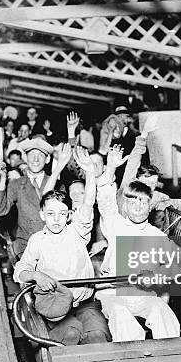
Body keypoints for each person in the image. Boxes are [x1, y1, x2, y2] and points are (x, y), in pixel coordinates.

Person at [14, 147, 111, 345]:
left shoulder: (77, 232)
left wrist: (90, 173)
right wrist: (36, 275)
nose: (56, 219)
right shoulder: (37, 240)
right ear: (42, 214)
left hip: (85, 303)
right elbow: (20, 271)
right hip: (56, 308)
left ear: (68, 215)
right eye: (51, 214)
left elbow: (88, 202)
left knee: (97, 335)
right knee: (72, 333)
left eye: (61, 214)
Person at [95, 145, 181, 342]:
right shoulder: (115, 225)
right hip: (113, 293)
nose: (138, 207)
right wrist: (110, 169)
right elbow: (105, 201)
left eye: (143, 202)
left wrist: (157, 275)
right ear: (125, 205)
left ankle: (170, 359)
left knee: (162, 311)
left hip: (143, 295)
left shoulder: (156, 235)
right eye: (133, 202)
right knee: (120, 313)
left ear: (150, 205)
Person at [0, 139, 70, 258]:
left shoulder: (58, 184)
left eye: (40, 155)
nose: (35, 159)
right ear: (25, 157)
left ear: (47, 159)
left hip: (52, 244)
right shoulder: (16, 184)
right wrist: (3, 179)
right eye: (32, 155)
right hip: (26, 245)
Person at [119, 135, 181, 215]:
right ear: (136, 180)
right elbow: (132, 163)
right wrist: (142, 139)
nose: (149, 187)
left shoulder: (156, 196)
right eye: (145, 184)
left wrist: (169, 202)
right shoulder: (127, 193)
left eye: (153, 184)